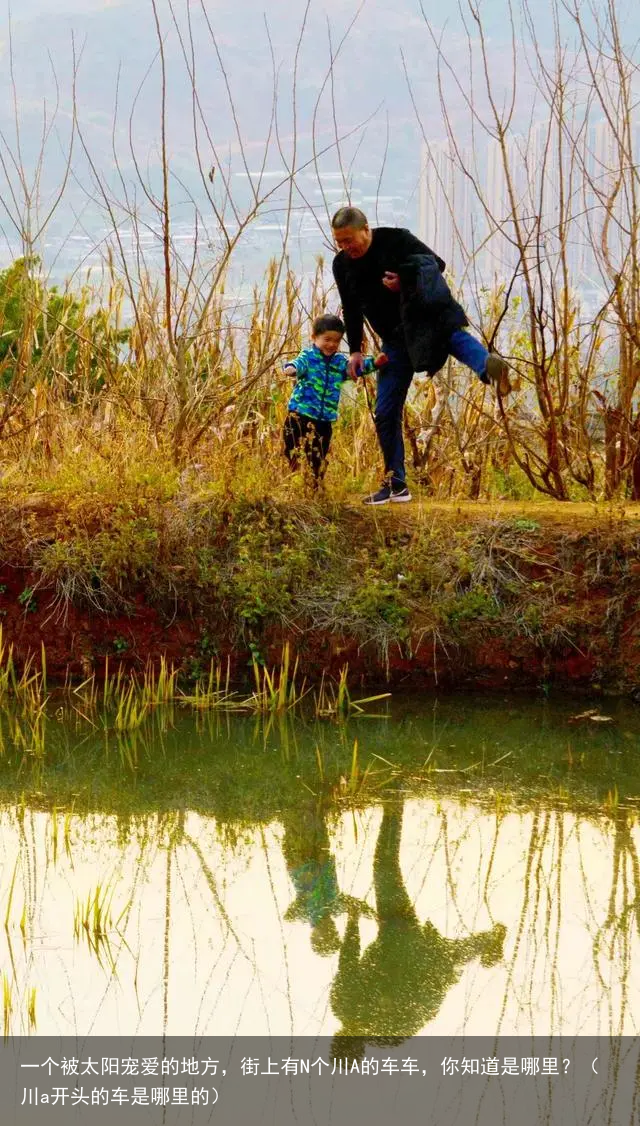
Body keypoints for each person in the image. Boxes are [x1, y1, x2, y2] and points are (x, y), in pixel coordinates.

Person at [331, 206, 513, 505]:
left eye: (350, 239)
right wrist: (353, 350)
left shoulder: (396, 240)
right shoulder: (343, 265)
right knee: (385, 411)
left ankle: (491, 371)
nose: (347, 247)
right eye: (340, 242)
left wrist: (404, 281)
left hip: (427, 318)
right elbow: (350, 307)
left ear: (366, 229)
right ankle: (396, 483)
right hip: (395, 338)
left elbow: (435, 264)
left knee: (455, 338)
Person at [282, 313, 386, 485]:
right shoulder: (308, 356)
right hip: (300, 415)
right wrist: (291, 368)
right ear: (314, 337)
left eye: (336, 341)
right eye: (327, 339)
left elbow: (355, 369)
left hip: (324, 420)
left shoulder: (339, 362)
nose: (331, 344)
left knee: (319, 456)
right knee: (294, 451)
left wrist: (375, 363)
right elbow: (297, 364)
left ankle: (314, 488)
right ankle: (294, 485)